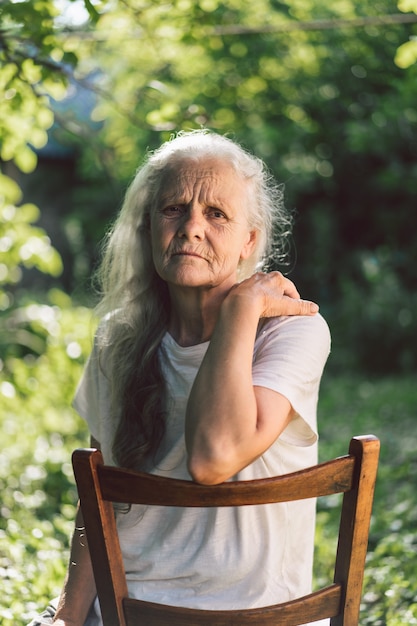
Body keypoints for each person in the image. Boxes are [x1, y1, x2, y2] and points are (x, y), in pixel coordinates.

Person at [29, 129, 330, 626]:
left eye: (216, 214)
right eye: (173, 209)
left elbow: (213, 458)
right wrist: (65, 616)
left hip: (252, 613)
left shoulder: (293, 332)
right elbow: (98, 502)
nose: (192, 227)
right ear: (149, 226)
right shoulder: (118, 338)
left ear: (248, 241)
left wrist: (241, 311)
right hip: (126, 610)